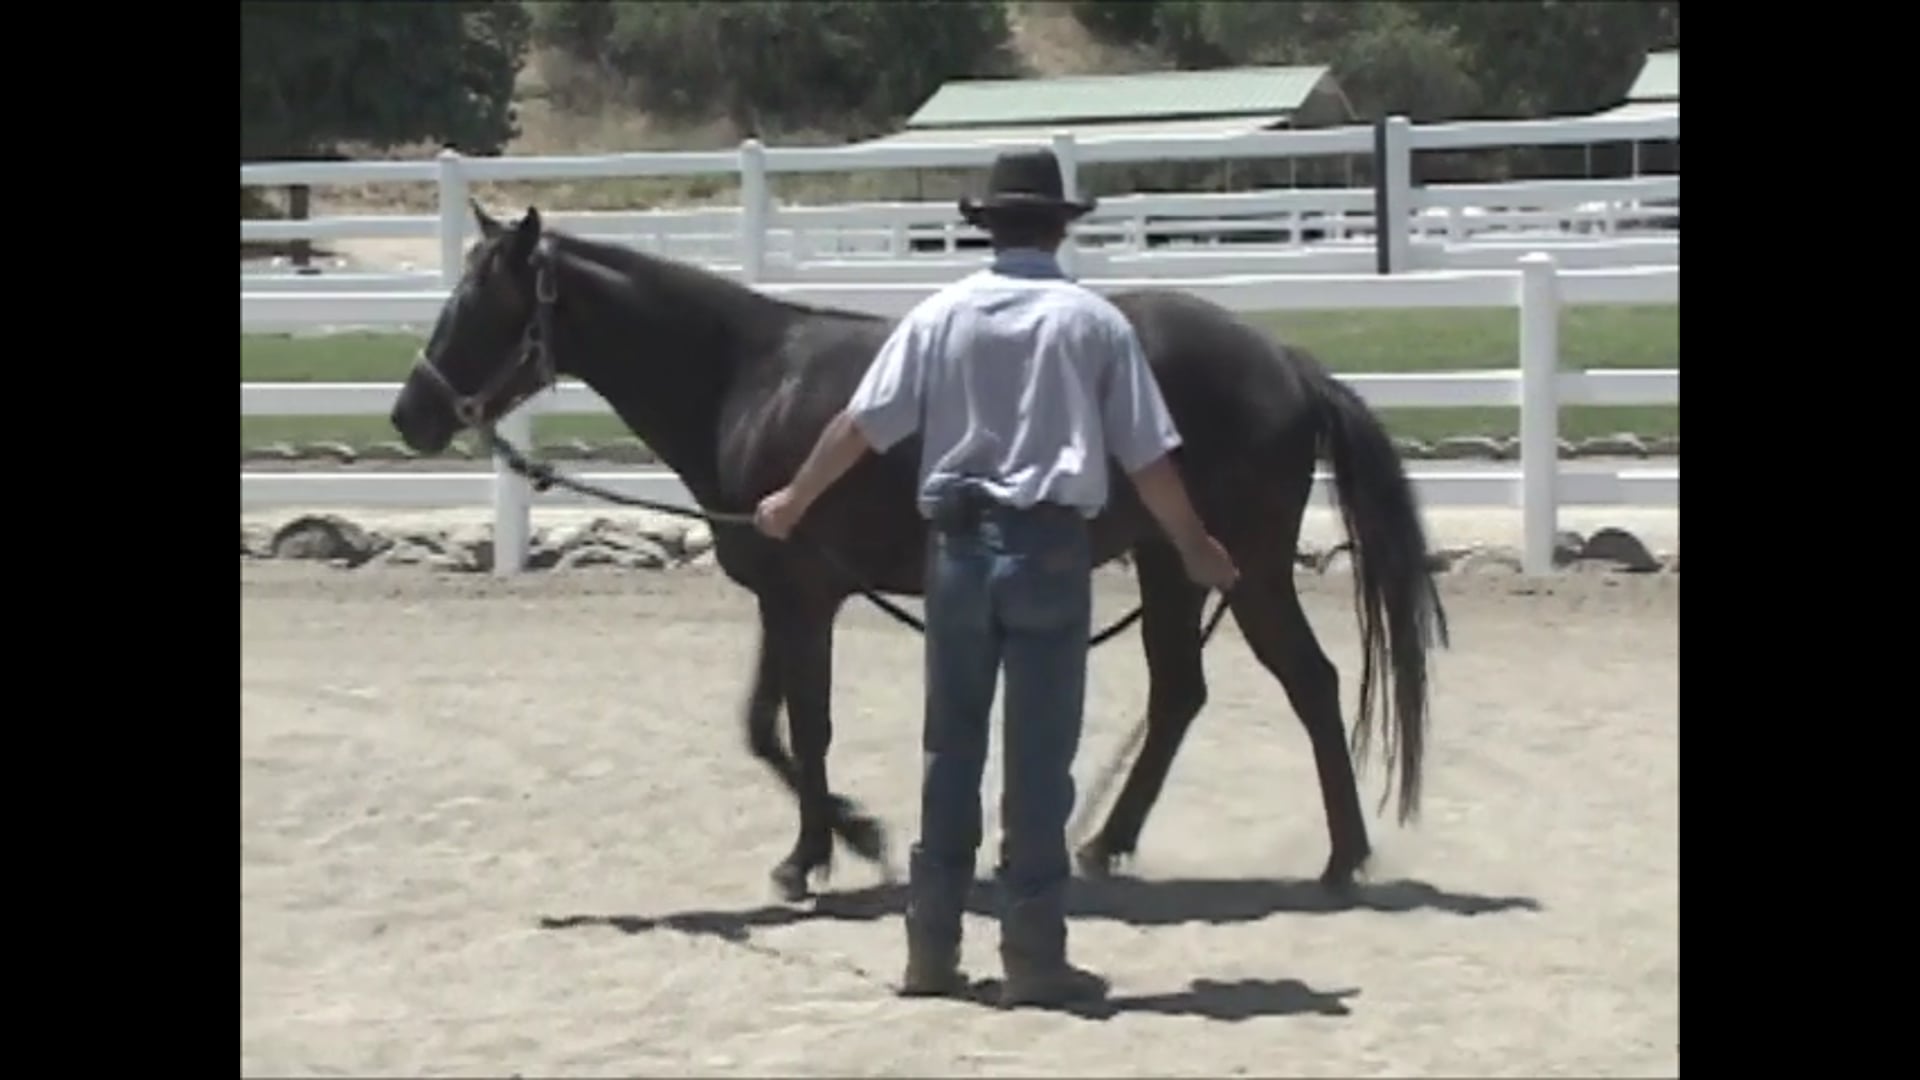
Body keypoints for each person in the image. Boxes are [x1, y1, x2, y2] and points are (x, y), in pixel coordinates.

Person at [753, 146, 1238, 1008]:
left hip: (958, 551)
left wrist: (793, 499)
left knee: (952, 750)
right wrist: (1195, 546)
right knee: (1039, 759)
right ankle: (1032, 954)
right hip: (1051, 546)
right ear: (1057, 228)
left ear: (990, 227)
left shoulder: (942, 316)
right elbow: (1149, 458)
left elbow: (860, 427)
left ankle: (931, 951)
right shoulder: (1092, 325)